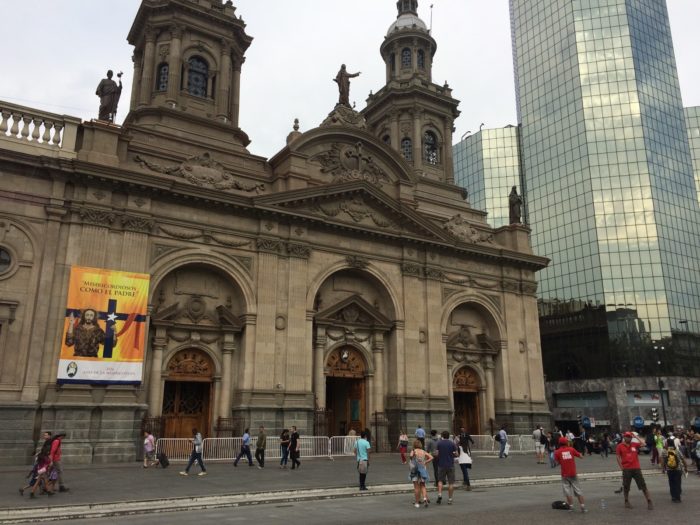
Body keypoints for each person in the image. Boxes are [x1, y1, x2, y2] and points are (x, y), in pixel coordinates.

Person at [616, 431, 653, 509]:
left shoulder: (634, 444)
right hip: (626, 469)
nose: (628, 438)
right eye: (626, 436)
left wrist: (636, 437)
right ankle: (626, 501)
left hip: (636, 468)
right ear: (624, 437)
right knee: (626, 486)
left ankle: (649, 501)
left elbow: (644, 444)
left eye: (629, 436)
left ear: (631, 438)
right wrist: (621, 467)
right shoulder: (620, 446)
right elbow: (618, 457)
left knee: (643, 485)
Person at [553, 436, 587, 512]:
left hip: (564, 474)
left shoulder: (557, 452)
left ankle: (571, 507)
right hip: (573, 473)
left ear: (559, 443)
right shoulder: (571, 449)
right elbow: (581, 456)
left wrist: (561, 461)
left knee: (567, 492)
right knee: (578, 490)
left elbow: (556, 463)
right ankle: (582, 507)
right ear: (566, 442)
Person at [435, 430, 458, 505]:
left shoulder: (439, 443)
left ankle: (439, 494)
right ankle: (450, 499)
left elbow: (436, 454)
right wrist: (453, 454)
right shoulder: (452, 444)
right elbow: (456, 454)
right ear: (449, 436)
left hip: (441, 464)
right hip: (450, 465)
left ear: (442, 436)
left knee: (440, 481)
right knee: (451, 483)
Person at [408, 438, 433, 508]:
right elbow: (431, 457)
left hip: (415, 470)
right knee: (423, 486)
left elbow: (410, 457)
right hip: (422, 469)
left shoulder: (413, 451)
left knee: (416, 487)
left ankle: (417, 502)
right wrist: (425, 462)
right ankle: (425, 499)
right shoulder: (423, 451)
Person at [661, 438, 687, 502]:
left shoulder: (664, 451)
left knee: (671, 483)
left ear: (667, 443)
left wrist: (663, 468)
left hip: (669, 470)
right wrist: (686, 467)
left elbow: (663, 461)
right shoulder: (677, 450)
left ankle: (673, 497)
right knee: (678, 483)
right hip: (678, 469)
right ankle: (678, 497)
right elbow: (683, 459)